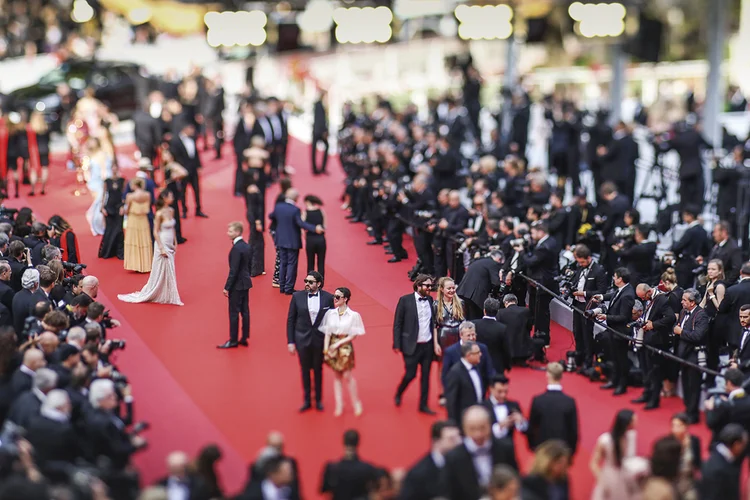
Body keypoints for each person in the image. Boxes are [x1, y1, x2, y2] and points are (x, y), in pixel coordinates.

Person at [118, 190, 183, 306]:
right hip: (161, 242)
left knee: (171, 267)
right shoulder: (159, 214)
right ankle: (161, 292)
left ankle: (169, 292)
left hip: (170, 241)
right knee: (160, 267)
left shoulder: (171, 211)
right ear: (164, 198)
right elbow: (156, 232)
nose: (172, 197)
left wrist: (175, 241)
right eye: (170, 195)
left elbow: (173, 228)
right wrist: (161, 247)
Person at [440, 405, 518, 500]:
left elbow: (515, 480)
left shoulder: (505, 448)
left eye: (482, 428)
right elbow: (450, 492)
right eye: (472, 429)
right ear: (464, 428)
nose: (478, 434)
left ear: (490, 425)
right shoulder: (453, 458)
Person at [287, 271, 334, 412]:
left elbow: (331, 321)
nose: (307, 284)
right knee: (305, 370)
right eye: (306, 281)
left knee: (318, 370)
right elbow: (291, 320)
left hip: (320, 340)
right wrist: (291, 342)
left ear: (318, 284)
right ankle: (307, 400)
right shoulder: (297, 297)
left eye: (310, 282)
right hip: (302, 339)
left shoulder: (328, 298)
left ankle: (318, 400)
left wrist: (331, 343)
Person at [394, 274, 437, 415]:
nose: (430, 288)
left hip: (427, 345)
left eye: (431, 286)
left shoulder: (430, 300)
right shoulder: (405, 300)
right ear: (418, 286)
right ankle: (399, 392)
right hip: (411, 345)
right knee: (411, 374)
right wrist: (397, 343)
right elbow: (398, 323)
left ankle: (423, 404)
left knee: (426, 376)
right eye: (427, 286)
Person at [320, 287, 365, 417]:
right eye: (334, 296)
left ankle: (356, 402)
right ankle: (339, 404)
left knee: (347, 376)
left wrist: (338, 344)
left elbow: (353, 335)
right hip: (332, 346)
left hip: (345, 346)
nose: (335, 299)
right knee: (337, 376)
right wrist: (326, 349)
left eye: (338, 297)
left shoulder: (353, 315)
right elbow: (327, 333)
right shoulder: (330, 314)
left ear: (345, 299)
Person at [269, 188, 323, 295]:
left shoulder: (278, 206)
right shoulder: (295, 210)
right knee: (291, 264)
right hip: (292, 240)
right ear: (296, 198)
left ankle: (282, 286)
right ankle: (288, 288)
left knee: (283, 263)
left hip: (280, 239)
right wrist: (314, 228)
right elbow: (301, 223)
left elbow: (271, 216)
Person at [593, 267, 636, 396]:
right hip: (613, 330)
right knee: (614, 357)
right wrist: (601, 297)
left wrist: (606, 317)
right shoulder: (623, 290)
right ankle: (614, 380)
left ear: (620, 279)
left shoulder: (628, 295)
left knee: (621, 359)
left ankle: (622, 385)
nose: (613, 278)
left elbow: (623, 317)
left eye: (615, 276)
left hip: (620, 332)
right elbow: (614, 295)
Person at [400, 421, 462, 500]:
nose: (458, 443)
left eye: (459, 437)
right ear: (436, 442)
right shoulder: (418, 474)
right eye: (452, 439)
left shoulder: (464, 464)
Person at [527, 362, 579, 456]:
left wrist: (533, 447)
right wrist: (571, 452)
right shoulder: (569, 402)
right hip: (562, 451)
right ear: (561, 376)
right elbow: (573, 431)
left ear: (547, 375)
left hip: (542, 449)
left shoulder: (538, 400)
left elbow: (531, 428)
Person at [674, 288, 709, 423]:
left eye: (684, 300)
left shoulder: (701, 315)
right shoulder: (683, 312)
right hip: (682, 353)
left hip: (694, 354)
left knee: (693, 385)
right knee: (685, 384)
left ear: (692, 302)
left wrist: (681, 332)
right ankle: (688, 409)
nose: (681, 302)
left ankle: (693, 414)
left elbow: (698, 336)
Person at [590, 409, 638, 500]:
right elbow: (593, 463)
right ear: (627, 424)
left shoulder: (632, 435)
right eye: (634, 421)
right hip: (610, 476)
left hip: (627, 475)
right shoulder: (605, 440)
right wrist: (602, 480)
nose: (636, 423)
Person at [218, 222, 252, 349]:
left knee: (234, 313)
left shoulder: (236, 249)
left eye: (230, 231)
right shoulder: (247, 246)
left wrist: (227, 287)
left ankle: (233, 340)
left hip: (237, 285)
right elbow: (248, 266)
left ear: (238, 232)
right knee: (245, 311)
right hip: (246, 283)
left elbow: (233, 270)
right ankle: (244, 337)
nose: (228, 233)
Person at [170, 120, 209, 219]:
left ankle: (198, 209)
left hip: (193, 169)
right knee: (183, 191)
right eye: (191, 129)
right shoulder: (175, 141)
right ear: (185, 129)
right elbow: (174, 156)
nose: (193, 131)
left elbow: (196, 154)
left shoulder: (193, 139)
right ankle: (184, 210)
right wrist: (179, 170)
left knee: (196, 190)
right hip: (182, 170)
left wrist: (199, 165)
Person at [699, 423, 747, 500]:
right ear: (736, 445)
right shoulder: (719, 470)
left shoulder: (718, 455)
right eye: (743, 444)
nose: (744, 448)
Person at [445, 341, 485, 424]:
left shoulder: (476, 367)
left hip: (478, 416)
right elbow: (451, 401)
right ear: (468, 355)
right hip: (464, 420)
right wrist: (453, 423)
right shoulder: (455, 372)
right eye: (477, 352)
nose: (480, 354)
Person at [122, 178, 153, 273]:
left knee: (133, 240)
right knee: (144, 240)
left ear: (135, 185)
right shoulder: (147, 195)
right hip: (143, 219)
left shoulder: (130, 196)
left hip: (133, 220)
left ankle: (135, 264)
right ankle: (146, 264)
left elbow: (126, 210)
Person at [84, 136, 113, 236]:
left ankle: (99, 224)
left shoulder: (101, 155)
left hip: (100, 182)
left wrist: (106, 181)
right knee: (99, 203)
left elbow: (104, 170)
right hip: (95, 182)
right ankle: (97, 224)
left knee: (101, 203)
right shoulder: (90, 155)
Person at [98, 164, 125, 260]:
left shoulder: (122, 181)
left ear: (117, 169)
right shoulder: (107, 181)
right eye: (112, 168)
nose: (114, 170)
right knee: (109, 229)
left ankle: (120, 252)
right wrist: (102, 207)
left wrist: (123, 206)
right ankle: (108, 252)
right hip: (109, 207)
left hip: (118, 207)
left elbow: (124, 195)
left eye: (115, 168)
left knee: (119, 230)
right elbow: (104, 194)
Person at [26, 111, 50, 196]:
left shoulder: (31, 128)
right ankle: (43, 188)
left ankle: (33, 189)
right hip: (45, 149)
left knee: (33, 169)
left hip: (34, 150)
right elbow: (48, 140)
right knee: (44, 168)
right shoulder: (45, 127)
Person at [302, 195, 327, 278]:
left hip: (310, 239)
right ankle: (321, 282)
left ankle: (310, 281)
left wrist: (305, 236)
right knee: (321, 262)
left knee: (310, 262)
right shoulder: (321, 211)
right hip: (321, 239)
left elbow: (302, 227)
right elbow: (325, 226)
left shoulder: (305, 213)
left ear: (308, 202)